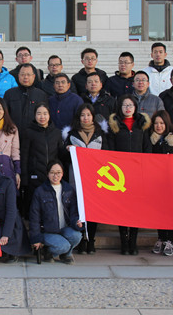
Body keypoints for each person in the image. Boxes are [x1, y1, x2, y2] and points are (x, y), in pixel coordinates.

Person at [108, 94, 151, 255]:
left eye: (130, 105)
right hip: (121, 174)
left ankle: (133, 241)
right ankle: (124, 242)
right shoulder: (115, 126)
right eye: (125, 105)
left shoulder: (142, 125)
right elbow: (111, 150)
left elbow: (147, 148)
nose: (128, 108)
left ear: (135, 107)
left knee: (135, 209)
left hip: (138, 173)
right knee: (122, 209)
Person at [63, 103, 108, 255]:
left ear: (93, 117)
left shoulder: (100, 134)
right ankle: (81, 239)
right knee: (79, 208)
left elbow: (107, 155)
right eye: (83, 115)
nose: (85, 118)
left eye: (88, 115)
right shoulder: (72, 134)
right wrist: (68, 150)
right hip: (77, 177)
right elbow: (63, 156)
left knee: (92, 209)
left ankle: (91, 240)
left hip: (96, 178)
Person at [149, 110, 173, 256]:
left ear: (167, 123)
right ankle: (161, 238)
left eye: (161, 123)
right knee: (159, 212)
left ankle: (170, 240)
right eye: (156, 123)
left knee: (172, 212)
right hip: (157, 182)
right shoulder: (152, 140)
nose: (159, 126)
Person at [29, 161, 83, 265]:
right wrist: (36, 238)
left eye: (58, 172)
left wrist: (77, 222)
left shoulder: (69, 190)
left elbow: (73, 212)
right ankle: (48, 252)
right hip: (48, 231)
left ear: (63, 173)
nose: (55, 176)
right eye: (52, 173)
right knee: (64, 246)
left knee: (76, 236)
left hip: (64, 228)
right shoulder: (40, 191)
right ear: (47, 174)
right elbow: (34, 217)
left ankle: (66, 254)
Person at [21, 103, 65, 217]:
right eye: (39, 114)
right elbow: (24, 156)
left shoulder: (56, 133)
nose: (42, 117)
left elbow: (60, 154)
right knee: (34, 207)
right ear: (35, 115)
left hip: (52, 176)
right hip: (35, 175)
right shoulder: (29, 132)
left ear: (49, 115)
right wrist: (24, 178)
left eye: (45, 113)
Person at [4, 64, 48, 133]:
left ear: (34, 76)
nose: (25, 77)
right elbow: (5, 115)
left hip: (35, 134)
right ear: (18, 76)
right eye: (23, 74)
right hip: (13, 134)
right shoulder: (9, 94)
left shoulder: (41, 95)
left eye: (28, 74)